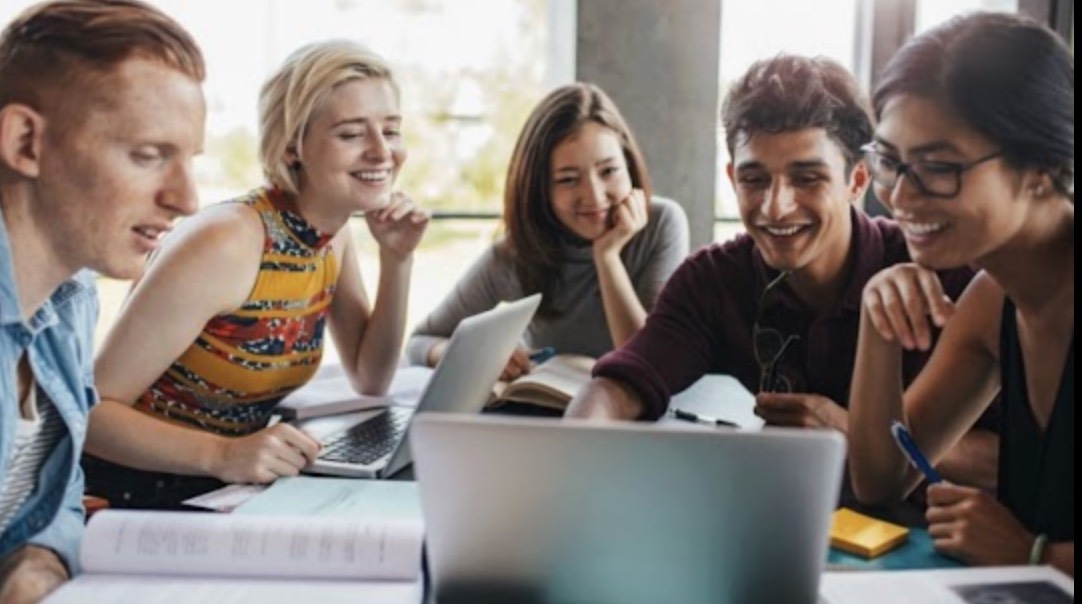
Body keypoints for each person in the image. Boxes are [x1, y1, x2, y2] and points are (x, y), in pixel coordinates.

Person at [565, 55, 998, 516]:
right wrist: (572, 460)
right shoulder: (713, 278)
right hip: (785, 526)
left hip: (927, 549)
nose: (776, 207)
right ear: (732, 179)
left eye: (806, 178)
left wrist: (852, 432)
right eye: (754, 180)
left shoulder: (943, 273)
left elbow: (1002, 462)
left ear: (857, 180)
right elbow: (620, 384)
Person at [83, 39, 429, 509]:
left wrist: (398, 259)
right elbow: (91, 413)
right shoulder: (227, 241)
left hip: (223, 489)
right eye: (350, 134)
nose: (380, 152)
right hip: (133, 495)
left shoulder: (332, 234)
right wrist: (225, 454)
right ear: (293, 147)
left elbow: (371, 377)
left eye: (390, 130)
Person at [848, 12, 1073, 575]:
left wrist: (1033, 555)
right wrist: (878, 326)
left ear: (1044, 167)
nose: (900, 196)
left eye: (937, 167)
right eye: (890, 162)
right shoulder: (992, 300)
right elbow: (881, 479)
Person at [0, 0, 205, 599]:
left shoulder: (71, 295)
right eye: (148, 155)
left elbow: (52, 503)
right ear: (25, 142)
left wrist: (36, 566)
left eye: (188, 160)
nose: (187, 199)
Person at [406, 83, 689, 382]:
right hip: (546, 418)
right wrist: (480, 358)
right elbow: (420, 343)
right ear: (540, 190)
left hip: (636, 422)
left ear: (629, 166)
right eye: (568, 180)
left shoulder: (662, 223)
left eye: (608, 171)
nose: (594, 196)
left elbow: (648, 361)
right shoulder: (515, 255)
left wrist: (607, 257)